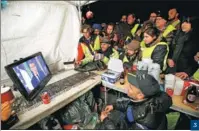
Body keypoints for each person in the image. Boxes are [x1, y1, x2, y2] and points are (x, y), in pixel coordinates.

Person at [98, 70, 172, 129]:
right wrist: (114, 106)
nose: (127, 88)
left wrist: (105, 120)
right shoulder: (151, 100)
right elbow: (131, 104)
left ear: (140, 95)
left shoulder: (142, 122)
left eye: (130, 88)